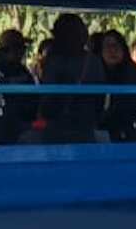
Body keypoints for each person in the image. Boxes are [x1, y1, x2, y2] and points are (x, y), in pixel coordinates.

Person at [33, 13, 104, 144]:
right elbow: (100, 100)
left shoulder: (53, 61)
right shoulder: (94, 61)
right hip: (85, 127)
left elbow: (47, 101)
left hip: (55, 128)